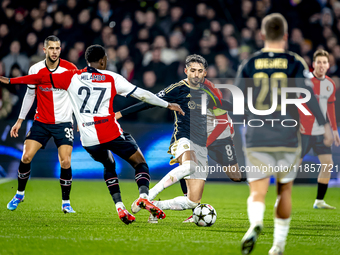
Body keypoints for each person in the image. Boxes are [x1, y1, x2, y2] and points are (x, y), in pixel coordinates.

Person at [0, 45, 184, 225]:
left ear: (87, 60)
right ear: (103, 60)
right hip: (109, 131)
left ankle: (119, 206)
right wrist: (167, 105)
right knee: (140, 163)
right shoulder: (112, 77)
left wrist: (10, 81)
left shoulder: (71, 77)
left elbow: (39, 79)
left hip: (88, 138)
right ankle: (144, 196)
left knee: (108, 164)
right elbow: (143, 95)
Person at [235, 14, 333, 255]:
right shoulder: (295, 61)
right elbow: (308, 95)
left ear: (262, 35)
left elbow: (237, 102)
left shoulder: (250, 62)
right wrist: (325, 125)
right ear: (286, 37)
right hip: (288, 135)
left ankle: (256, 222)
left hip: (257, 135)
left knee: (257, 191)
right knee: (284, 189)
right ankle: (278, 245)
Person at [115, 54, 234, 222]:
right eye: (192, 71)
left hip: (201, 145)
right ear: (186, 71)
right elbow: (150, 101)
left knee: (193, 201)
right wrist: (121, 113)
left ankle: (155, 205)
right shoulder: (177, 88)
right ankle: (147, 196)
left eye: (200, 71)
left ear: (205, 73)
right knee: (190, 165)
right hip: (183, 138)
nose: (196, 74)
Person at [7, 35, 78, 214]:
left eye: (57, 48)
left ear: (60, 50)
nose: (55, 52)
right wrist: (20, 120)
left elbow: (78, 96)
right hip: (41, 122)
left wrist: (80, 120)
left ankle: (66, 202)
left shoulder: (70, 69)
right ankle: (19, 194)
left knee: (66, 161)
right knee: (25, 157)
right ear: (44, 50)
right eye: (51, 48)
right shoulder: (35, 69)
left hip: (63, 122)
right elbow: (30, 95)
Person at [299, 49, 340, 209]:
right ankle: (281, 197)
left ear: (328, 65)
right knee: (294, 165)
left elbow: (330, 109)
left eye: (325, 62)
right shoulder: (306, 82)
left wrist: (334, 130)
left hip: (322, 132)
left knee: (328, 163)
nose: (322, 65)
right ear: (313, 64)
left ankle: (319, 201)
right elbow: (298, 105)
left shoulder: (330, 84)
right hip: (305, 130)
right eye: (319, 62)